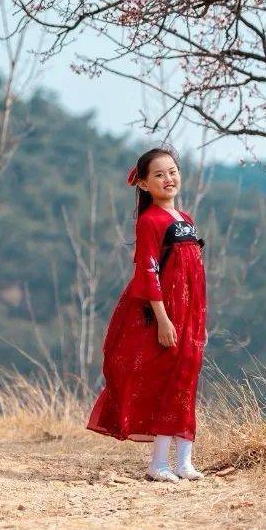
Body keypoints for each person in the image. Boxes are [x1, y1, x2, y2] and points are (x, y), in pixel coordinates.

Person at [86, 146, 209, 483]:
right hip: (164, 316)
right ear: (143, 184)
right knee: (167, 381)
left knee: (187, 380)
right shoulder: (149, 221)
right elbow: (148, 272)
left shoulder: (186, 220)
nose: (168, 178)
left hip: (191, 315)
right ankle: (158, 463)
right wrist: (163, 319)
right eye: (159, 174)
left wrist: (199, 321)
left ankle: (184, 461)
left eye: (172, 171)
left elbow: (194, 275)